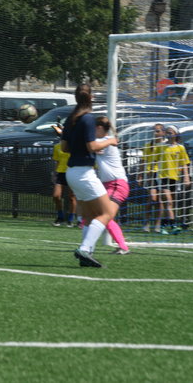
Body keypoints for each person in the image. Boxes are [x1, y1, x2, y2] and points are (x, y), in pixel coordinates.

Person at [61, 84, 118, 267]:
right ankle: (85, 249)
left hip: (72, 172)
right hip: (84, 173)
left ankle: (87, 255)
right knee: (107, 213)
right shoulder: (87, 119)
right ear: (91, 97)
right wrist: (110, 141)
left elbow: (64, 148)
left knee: (90, 217)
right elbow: (92, 146)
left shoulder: (71, 119)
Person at [94, 116, 130, 255]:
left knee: (105, 215)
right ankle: (122, 246)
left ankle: (123, 247)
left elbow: (89, 145)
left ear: (99, 128)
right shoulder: (105, 141)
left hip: (116, 184)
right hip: (109, 185)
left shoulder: (105, 141)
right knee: (103, 215)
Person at [157, 125, 191, 235]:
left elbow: (184, 163)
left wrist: (186, 177)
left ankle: (163, 226)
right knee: (168, 201)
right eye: (167, 132)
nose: (168, 134)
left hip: (174, 178)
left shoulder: (180, 148)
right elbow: (154, 160)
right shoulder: (161, 146)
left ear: (176, 134)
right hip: (162, 177)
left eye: (170, 132)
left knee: (170, 204)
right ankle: (174, 226)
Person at [138, 123, 166, 233]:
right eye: (154, 131)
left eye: (158, 131)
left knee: (160, 200)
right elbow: (143, 161)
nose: (155, 133)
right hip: (151, 174)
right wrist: (140, 175)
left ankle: (157, 224)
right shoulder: (148, 145)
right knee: (152, 198)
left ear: (163, 132)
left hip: (163, 174)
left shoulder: (165, 145)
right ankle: (146, 222)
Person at [51, 141, 77, 227]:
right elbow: (57, 161)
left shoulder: (74, 145)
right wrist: (54, 173)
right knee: (56, 196)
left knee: (72, 197)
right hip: (60, 173)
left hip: (72, 172)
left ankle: (70, 219)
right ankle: (60, 217)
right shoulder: (57, 146)